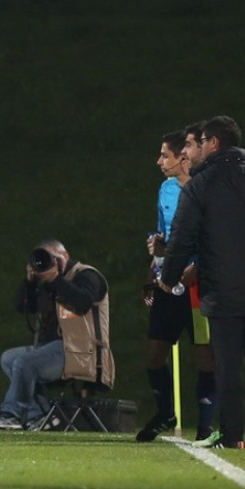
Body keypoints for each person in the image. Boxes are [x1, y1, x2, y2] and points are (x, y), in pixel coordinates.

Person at [160, 115, 245, 449]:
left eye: (196, 143)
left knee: (228, 366)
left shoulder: (202, 184)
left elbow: (181, 238)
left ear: (214, 143)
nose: (189, 151)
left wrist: (168, 279)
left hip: (225, 291)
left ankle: (233, 434)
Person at [137, 131, 215, 443]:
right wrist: (150, 272)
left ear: (182, 158)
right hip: (167, 283)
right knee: (154, 352)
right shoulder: (166, 190)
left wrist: (194, 268)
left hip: (198, 284)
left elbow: (213, 238)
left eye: (164, 155)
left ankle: (207, 425)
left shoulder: (207, 190)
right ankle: (166, 413)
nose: (159, 161)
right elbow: (161, 238)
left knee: (204, 355)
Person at [0, 240, 113, 431]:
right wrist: (29, 283)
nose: (49, 263)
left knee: (25, 363)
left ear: (65, 255)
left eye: (53, 257)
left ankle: (12, 414)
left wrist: (56, 280)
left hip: (83, 352)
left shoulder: (87, 275)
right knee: (9, 358)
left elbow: (83, 302)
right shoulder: (46, 282)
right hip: (55, 349)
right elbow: (22, 307)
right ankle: (40, 416)